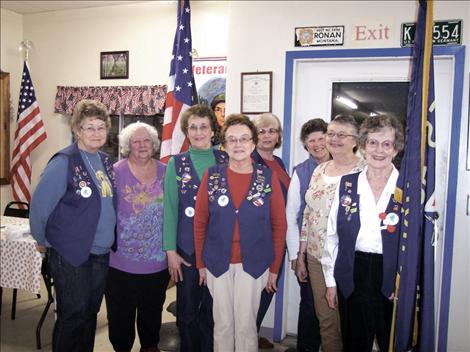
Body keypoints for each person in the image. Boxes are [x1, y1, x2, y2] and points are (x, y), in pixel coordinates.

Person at [194, 114, 287, 351]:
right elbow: (200, 222)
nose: (238, 145)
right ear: (223, 144)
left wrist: (274, 268)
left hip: (254, 262)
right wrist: (200, 264)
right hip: (217, 262)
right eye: (232, 139)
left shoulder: (267, 178)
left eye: (244, 139)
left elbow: (279, 225)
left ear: (253, 143)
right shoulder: (212, 176)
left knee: (246, 327)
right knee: (222, 325)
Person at [30, 99, 116, 352]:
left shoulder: (105, 160)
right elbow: (40, 205)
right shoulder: (64, 161)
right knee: (72, 316)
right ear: (77, 129)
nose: (96, 133)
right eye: (89, 127)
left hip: (100, 252)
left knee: (90, 313)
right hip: (71, 253)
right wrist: (42, 240)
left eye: (101, 127)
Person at [322, 115, 404, 352]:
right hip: (352, 273)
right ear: (363, 145)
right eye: (373, 143)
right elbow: (332, 236)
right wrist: (330, 282)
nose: (379, 150)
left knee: (392, 342)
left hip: (391, 276)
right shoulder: (347, 184)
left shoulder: (406, 187)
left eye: (386, 144)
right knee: (354, 343)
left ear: (396, 149)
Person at [296, 114, 366, 352]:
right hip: (316, 257)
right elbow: (308, 213)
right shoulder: (320, 169)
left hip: (350, 260)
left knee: (351, 324)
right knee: (326, 321)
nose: (334, 139)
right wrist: (302, 254)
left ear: (355, 140)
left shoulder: (365, 171)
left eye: (342, 134)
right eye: (331, 133)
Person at [163, 104, 227, 352]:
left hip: (218, 251)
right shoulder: (175, 164)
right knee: (187, 312)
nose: (199, 132)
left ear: (213, 131)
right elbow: (169, 209)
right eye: (193, 127)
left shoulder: (226, 160)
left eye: (204, 127)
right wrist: (170, 251)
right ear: (186, 131)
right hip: (187, 251)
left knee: (213, 312)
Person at [105, 122, 169, 352]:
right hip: (121, 264)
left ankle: (149, 347)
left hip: (157, 263)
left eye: (147, 141)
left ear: (154, 144)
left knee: (152, 314)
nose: (142, 145)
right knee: (120, 318)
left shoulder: (166, 171)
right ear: (127, 146)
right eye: (136, 141)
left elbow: (173, 212)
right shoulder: (114, 172)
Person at [285, 118, 330, 352]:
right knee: (311, 306)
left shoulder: (350, 167)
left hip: (339, 253)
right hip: (309, 252)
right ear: (306, 145)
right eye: (311, 140)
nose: (317, 144)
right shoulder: (301, 172)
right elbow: (291, 215)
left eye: (321, 138)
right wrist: (296, 256)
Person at [251, 112, 290, 349]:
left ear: (279, 136)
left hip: (279, 237)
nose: (267, 135)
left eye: (272, 131)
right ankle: (245, 336)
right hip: (258, 239)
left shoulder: (279, 162)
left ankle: (251, 333)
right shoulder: (250, 162)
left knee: (268, 288)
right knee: (254, 291)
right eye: (262, 131)